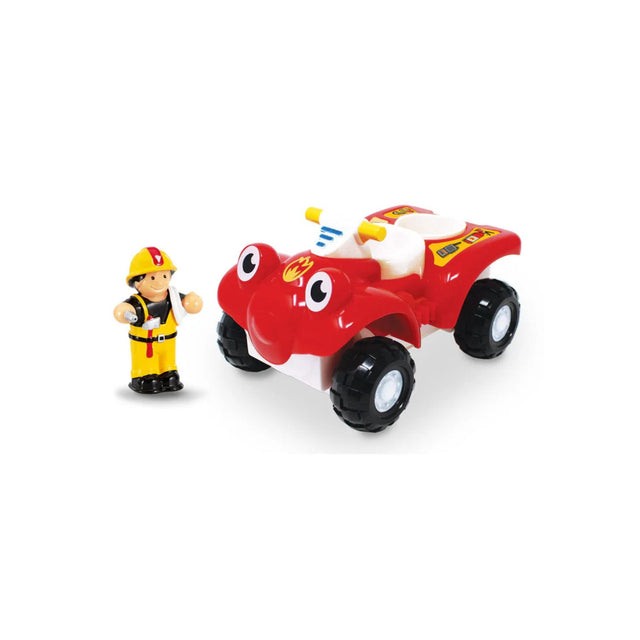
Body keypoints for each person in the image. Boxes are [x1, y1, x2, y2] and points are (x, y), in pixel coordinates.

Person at [113, 247, 202, 393]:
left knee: (169, 367)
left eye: (164, 276)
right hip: (146, 346)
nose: (160, 282)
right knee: (148, 371)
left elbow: (189, 303)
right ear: (137, 282)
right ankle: (144, 375)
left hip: (168, 343)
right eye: (152, 278)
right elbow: (122, 309)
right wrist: (125, 313)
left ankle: (168, 372)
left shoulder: (173, 297)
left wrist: (192, 302)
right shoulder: (138, 303)